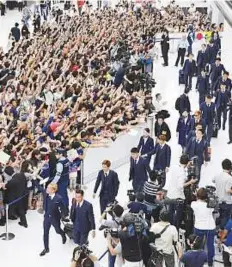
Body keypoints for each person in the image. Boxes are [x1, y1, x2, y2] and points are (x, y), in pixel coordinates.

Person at [166, 154, 197, 230]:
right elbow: (180, 186)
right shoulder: (182, 172)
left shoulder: (174, 167)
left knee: (171, 213)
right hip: (178, 197)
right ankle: (175, 229)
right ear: (187, 163)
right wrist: (190, 182)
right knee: (178, 216)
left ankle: (169, 228)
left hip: (170, 195)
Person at [40, 183, 68, 256]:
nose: (47, 189)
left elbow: (63, 209)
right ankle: (46, 248)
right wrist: (33, 178)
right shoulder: (45, 194)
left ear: (53, 190)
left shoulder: (59, 198)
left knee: (58, 230)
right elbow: (39, 187)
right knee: (45, 233)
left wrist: (63, 216)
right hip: (46, 218)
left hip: (55, 218)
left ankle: (63, 234)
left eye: (49, 188)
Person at [191, 188, 216, 267]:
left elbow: (196, 201)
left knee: (198, 244)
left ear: (197, 196)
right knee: (210, 245)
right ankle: (210, 262)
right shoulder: (210, 205)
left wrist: (196, 196)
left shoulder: (194, 204)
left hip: (199, 227)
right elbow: (213, 206)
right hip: (210, 227)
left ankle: (198, 261)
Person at [0, 163, 28, 227]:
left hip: (13, 197)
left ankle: (2, 222)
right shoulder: (21, 174)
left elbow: (5, 187)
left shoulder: (12, 181)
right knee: (21, 210)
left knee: (8, 210)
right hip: (20, 195)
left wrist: (2, 184)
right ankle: (24, 223)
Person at [212, 159, 232, 229]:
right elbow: (227, 190)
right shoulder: (229, 178)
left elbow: (213, 180)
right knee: (225, 221)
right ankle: (221, 236)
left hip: (218, 202)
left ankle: (217, 233)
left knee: (219, 218)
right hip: (227, 203)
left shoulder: (217, 175)